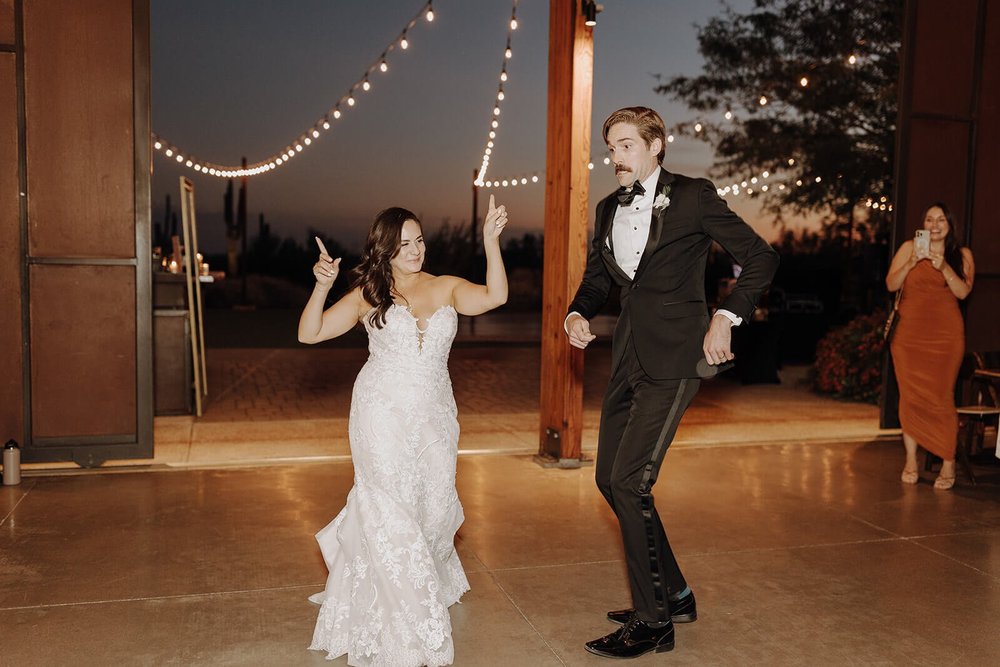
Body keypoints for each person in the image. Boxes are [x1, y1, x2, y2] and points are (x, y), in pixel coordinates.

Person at [564, 106, 779, 659]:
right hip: (627, 358)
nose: (615, 157)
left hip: (678, 359)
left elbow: (760, 256)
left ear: (657, 145)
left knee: (631, 482)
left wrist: (726, 315)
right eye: (611, 146)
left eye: (626, 145)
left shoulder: (692, 195)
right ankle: (675, 593)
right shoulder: (610, 208)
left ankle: (654, 620)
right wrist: (576, 313)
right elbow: (596, 281)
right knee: (609, 482)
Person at [300, 200, 509, 666]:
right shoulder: (367, 295)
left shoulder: (448, 286)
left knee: (434, 510)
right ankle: (406, 617)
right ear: (385, 250)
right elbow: (310, 333)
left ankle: (420, 581)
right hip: (380, 412)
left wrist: (491, 244)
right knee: (388, 508)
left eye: (418, 240)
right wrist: (322, 286)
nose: (414, 250)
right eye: (403, 244)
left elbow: (494, 297)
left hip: (435, 414)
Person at [886, 202, 975, 490]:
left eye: (940, 220)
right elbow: (891, 284)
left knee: (941, 398)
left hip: (945, 338)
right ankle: (911, 459)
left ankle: (948, 462)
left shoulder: (961, 255)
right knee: (909, 397)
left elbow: (962, 292)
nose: (934, 224)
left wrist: (944, 266)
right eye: (929, 219)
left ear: (950, 224)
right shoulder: (908, 247)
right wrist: (912, 262)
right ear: (923, 224)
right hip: (909, 337)